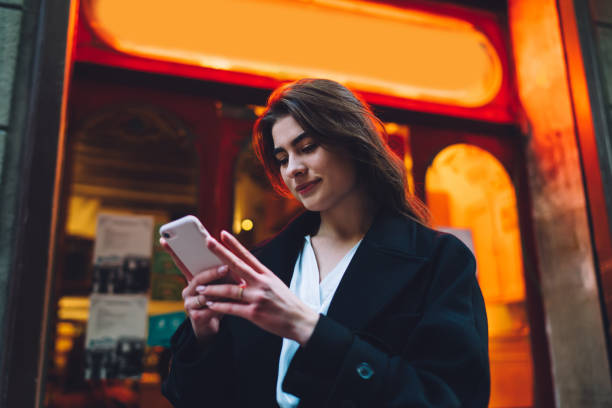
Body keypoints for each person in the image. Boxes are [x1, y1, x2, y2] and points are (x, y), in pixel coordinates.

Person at [161, 79, 490, 408]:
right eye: (282, 158)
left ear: (353, 143)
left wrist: (307, 327)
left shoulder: (439, 260)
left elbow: (449, 398)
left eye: (306, 148)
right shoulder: (263, 265)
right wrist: (206, 336)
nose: (294, 169)